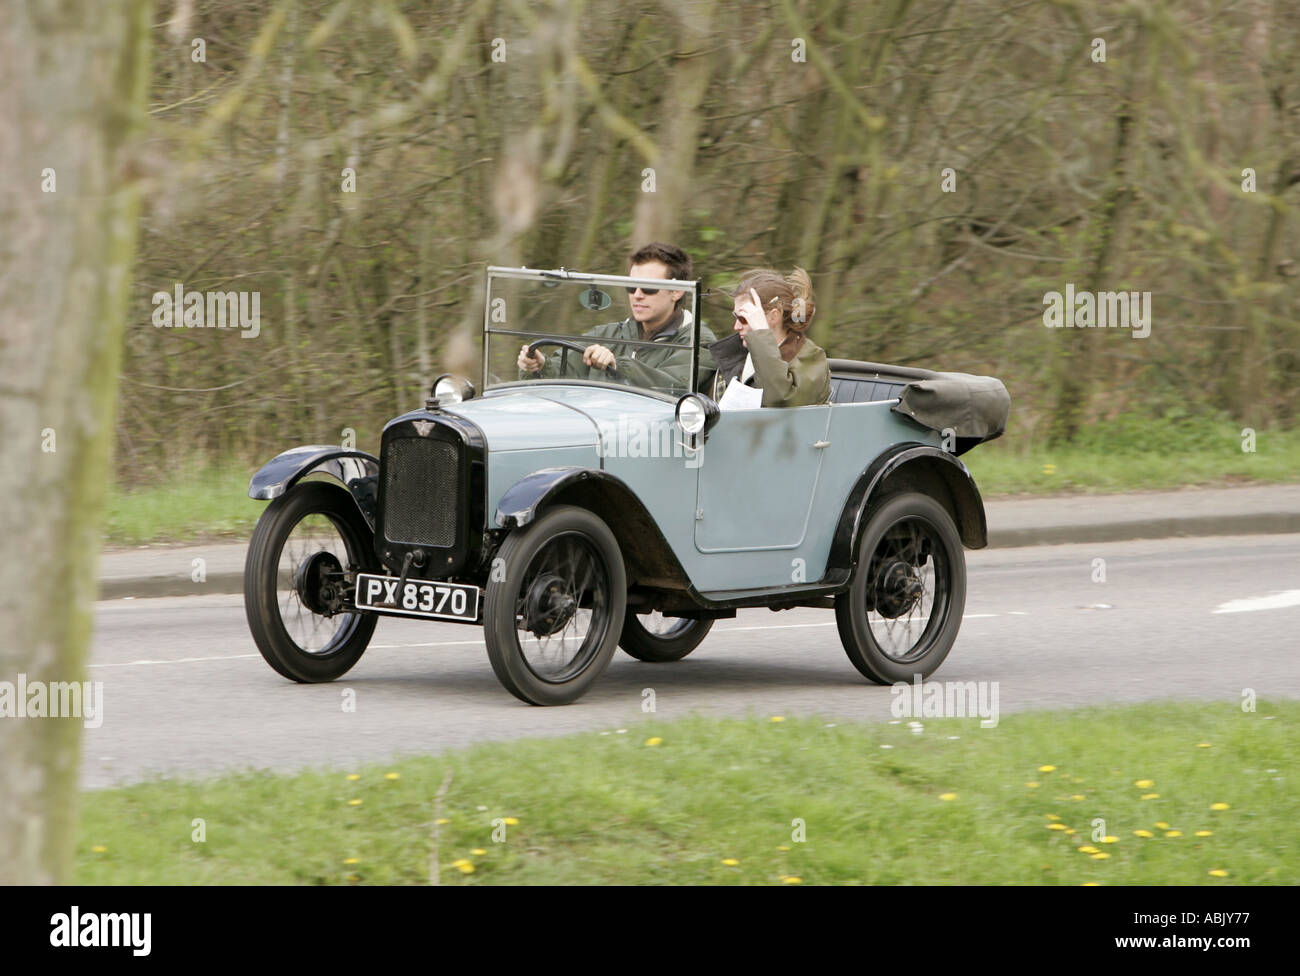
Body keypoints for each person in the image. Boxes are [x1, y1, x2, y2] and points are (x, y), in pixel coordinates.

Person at [516, 242, 716, 393]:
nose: (637, 294)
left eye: (648, 288)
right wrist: (539, 365)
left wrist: (617, 365)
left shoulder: (698, 341)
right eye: (631, 286)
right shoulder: (608, 334)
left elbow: (674, 386)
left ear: (677, 292)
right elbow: (565, 371)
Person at [707, 266, 831, 407]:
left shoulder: (812, 359)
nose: (736, 327)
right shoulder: (733, 358)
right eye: (735, 317)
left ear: (774, 316)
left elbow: (779, 398)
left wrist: (760, 334)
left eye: (745, 318)